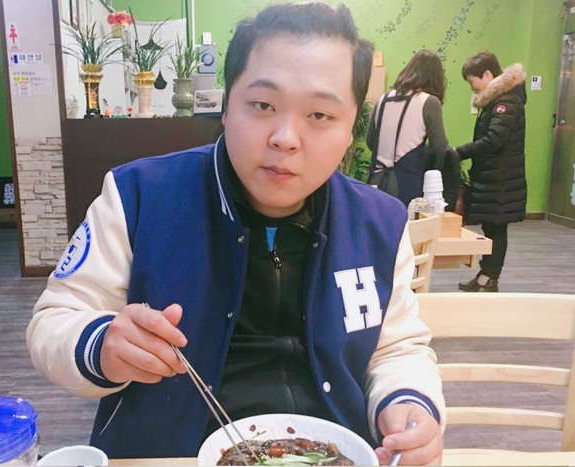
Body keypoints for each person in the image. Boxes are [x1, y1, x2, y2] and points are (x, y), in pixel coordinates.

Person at [27, 3, 445, 465]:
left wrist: (408, 404)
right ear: (226, 107)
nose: (286, 138)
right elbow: (55, 320)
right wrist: (104, 344)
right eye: (263, 105)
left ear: (351, 132)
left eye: (320, 115)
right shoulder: (139, 196)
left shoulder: (379, 222)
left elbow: (397, 348)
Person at [455, 51, 527, 292]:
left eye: (472, 81)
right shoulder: (499, 100)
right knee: (492, 227)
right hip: (495, 177)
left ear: (487, 74)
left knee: (496, 228)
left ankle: (490, 278)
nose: (472, 88)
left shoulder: (506, 102)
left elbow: (494, 140)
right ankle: (485, 275)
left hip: (501, 179)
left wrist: (460, 152)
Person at [366, 49, 449, 206]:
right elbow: (439, 147)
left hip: (375, 182)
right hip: (407, 184)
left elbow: (371, 141)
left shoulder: (383, 99)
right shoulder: (429, 102)